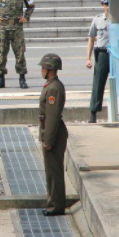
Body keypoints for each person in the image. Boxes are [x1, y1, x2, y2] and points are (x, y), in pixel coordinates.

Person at [38, 53, 68, 217]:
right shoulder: (51, 85)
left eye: (43, 67)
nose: (41, 70)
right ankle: (53, 203)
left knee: (54, 171)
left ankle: (56, 206)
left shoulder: (54, 88)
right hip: (49, 131)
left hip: (53, 133)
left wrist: (48, 140)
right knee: (50, 171)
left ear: (49, 69)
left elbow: (53, 116)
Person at [86, 0, 110, 123]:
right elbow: (91, 39)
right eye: (106, 4)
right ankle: (93, 112)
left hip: (115, 53)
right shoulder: (97, 19)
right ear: (103, 5)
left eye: (110, 4)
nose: (108, 7)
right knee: (98, 83)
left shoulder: (118, 19)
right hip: (102, 53)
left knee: (118, 83)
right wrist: (88, 58)